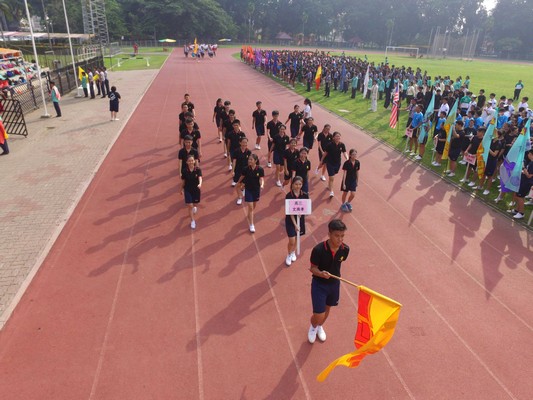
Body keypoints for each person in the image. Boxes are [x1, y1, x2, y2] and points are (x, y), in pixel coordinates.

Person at [308, 219, 350, 344]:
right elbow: (312, 268)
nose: (340, 239)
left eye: (342, 236)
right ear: (329, 234)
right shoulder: (318, 250)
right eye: (337, 236)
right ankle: (313, 327)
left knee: (327, 309)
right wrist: (321, 274)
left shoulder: (345, 249)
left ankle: (319, 326)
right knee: (318, 315)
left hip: (334, 284)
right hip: (319, 285)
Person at [236, 154, 264, 233]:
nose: (249, 161)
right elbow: (242, 176)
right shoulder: (246, 169)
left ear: (255, 161)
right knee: (251, 207)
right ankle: (251, 224)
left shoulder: (260, 169)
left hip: (256, 190)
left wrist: (262, 185)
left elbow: (261, 179)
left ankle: (250, 214)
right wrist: (238, 182)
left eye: (251, 160)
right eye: (249, 159)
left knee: (253, 206)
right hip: (248, 190)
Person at [284, 176, 309, 266]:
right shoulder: (289, 196)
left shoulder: (305, 195)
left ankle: (293, 252)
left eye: (300, 184)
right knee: (292, 240)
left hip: (300, 219)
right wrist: (295, 225)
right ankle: (289, 254)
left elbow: (306, 208)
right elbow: (289, 212)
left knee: (297, 238)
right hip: (291, 221)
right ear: (292, 184)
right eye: (296, 184)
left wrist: (302, 213)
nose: (298, 186)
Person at [319, 131, 348, 198]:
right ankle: (331, 191)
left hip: (337, 163)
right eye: (337, 136)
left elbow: (344, 152)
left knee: (332, 176)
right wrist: (321, 161)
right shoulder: (329, 145)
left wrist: (347, 158)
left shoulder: (342, 145)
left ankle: (329, 184)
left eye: (339, 136)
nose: (338, 137)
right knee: (332, 177)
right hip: (330, 163)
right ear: (333, 137)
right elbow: (325, 153)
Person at [508, 150, 533, 219]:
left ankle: (521, 213)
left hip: (526, 183)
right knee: (519, 195)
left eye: (529, 154)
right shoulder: (530, 162)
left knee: (520, 196)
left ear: (531, 154)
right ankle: (517, 210)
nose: (528, 155)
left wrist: (523, 168)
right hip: (524, 181)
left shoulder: (532, 164)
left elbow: (529, 175)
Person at [181, 155, 202, 229]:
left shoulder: (198, 169)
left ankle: (194, 207)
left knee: (195, 204)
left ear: (194, 161)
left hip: (196, 189)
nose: (191, 162)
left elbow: (200, 178)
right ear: (187, 162)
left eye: (192, 160)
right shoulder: (184, 171)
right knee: (190, 205)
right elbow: (183, 181)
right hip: (187, 189)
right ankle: (192, 221)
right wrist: (181, 189)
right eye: (189, 161)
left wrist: (200, 184)